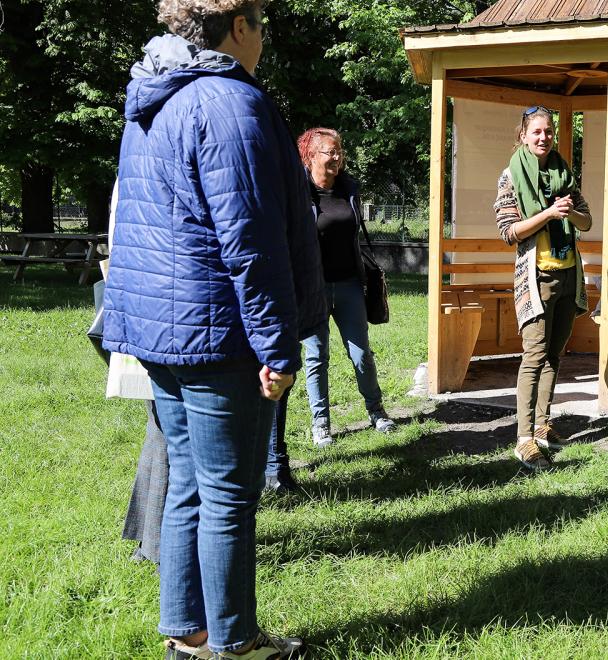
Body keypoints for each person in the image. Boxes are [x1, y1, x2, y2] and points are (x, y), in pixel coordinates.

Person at [103, 1, 325, 656]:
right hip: (217, 334)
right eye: (262, 26)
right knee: (229, 496)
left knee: (189, 487)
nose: (264, 41)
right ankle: (234, 642)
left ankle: (188, 633)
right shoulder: (230, 103)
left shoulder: (155, 96)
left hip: (159, 331)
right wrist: (277, 347)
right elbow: (250, 244)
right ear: (239, 29)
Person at [495, 106, 592, 470]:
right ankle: (523, 440)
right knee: (534, 356)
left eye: (548, 132)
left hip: (568, 275)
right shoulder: (510, 176)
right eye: (536, 132)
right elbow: (509, 232)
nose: (543, 137)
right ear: (523, 135)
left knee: (555, 354)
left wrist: (569, 212)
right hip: (535, 278)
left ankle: (541, 426)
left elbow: (586, 219)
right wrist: (548, 214)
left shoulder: (563, 172)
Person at [295, 127, 396, 449]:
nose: (337, 157)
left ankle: (376, 412)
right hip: (313, 289)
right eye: (330, 151)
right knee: (316, 356)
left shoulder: (349, 189)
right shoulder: (297, 191)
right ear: (310, 156)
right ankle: (320, 423)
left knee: (361, 354)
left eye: (339, 151)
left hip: (350, 284)